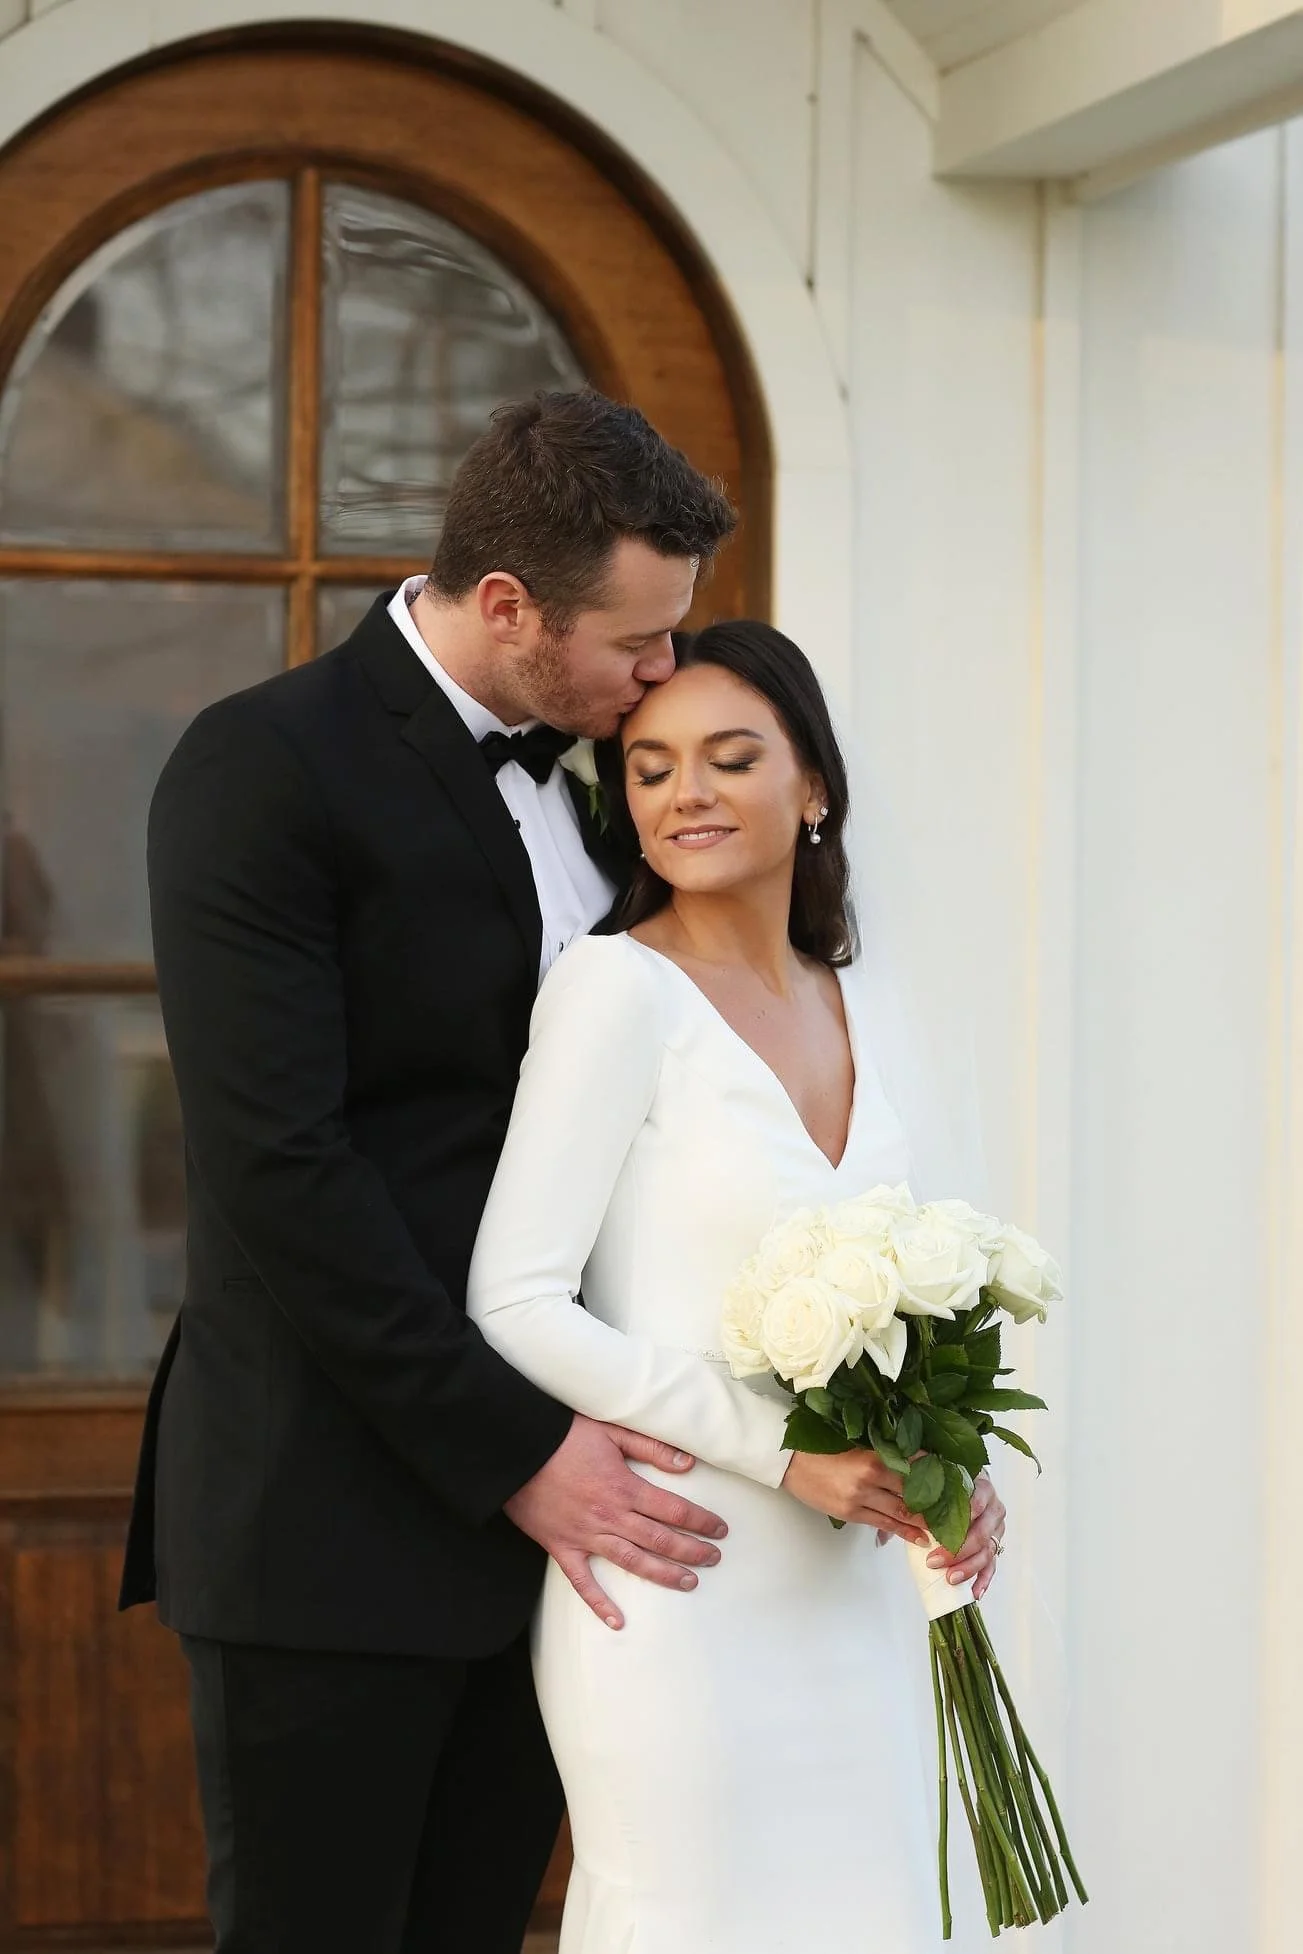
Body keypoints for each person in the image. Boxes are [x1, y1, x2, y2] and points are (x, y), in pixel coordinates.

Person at [120, 391, 757, 1954]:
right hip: (329, 1519)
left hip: (554, 1542)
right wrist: (515, 1447)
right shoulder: (260, 769)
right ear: (505, 608)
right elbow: (283, 1171)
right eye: (638, 641)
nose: (664, 674)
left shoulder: (615, 779)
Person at [467, 620, 1007, 1953]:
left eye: (727, 757)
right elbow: (516, 1298)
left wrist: (949, 1458)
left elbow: (934, 1278)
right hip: (680, 1586)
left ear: (811, 783)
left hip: (864, 1587)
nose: (684, 793)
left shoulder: (866, 1004)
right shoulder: (614, 991)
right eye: (647, 769)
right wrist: (782, 1453)